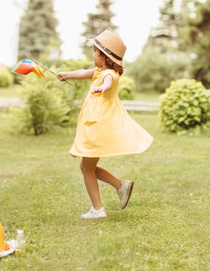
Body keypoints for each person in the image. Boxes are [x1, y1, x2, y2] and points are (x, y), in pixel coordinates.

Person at [57, 29, 153, 219]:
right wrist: (66, 74)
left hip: (99, 126)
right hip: (95, 124)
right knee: (86, 167)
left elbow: (108, 82)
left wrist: (103, 87)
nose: (92, 54)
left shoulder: (109, 74)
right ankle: (120, 186)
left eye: (95, 51)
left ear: (105, 56)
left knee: (86, 167)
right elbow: (84, 72)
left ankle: (99, 208)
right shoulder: (98, 71)